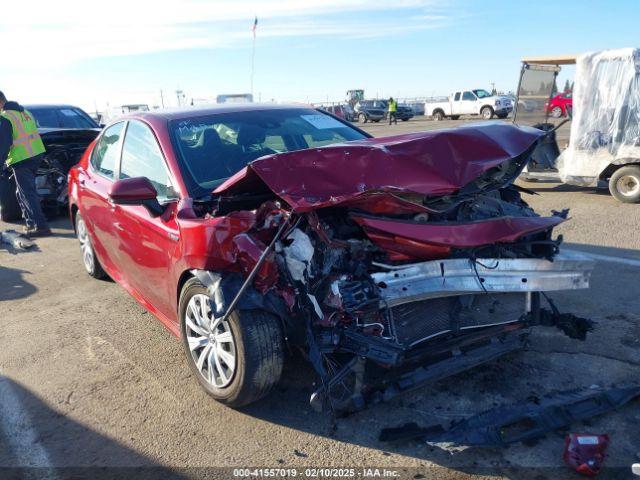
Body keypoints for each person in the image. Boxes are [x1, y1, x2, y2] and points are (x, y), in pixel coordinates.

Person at [0, 91, 51, 236]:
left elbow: (3, 145)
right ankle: (30, 223)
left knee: (27, 193)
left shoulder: (5, 117)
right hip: (36, 154)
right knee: (21, 192)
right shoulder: (24, 112)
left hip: (22, 159)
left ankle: (41, 226)